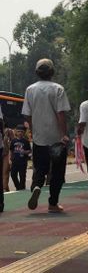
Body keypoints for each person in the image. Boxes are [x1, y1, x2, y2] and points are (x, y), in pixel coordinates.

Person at [22, 58, 71, 213]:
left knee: (40, 168)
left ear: (37, 72)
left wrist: (33, 130)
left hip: (39, 138)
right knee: (57, 172)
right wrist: (64, 134)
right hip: (56, 139)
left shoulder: (30, 90)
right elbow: (61, 114)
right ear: (52, 72)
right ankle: (53, 203)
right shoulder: (58, 89)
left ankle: (36, 185)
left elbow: (27, 115)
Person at [10, 125, 31, 191]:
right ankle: (18, 187)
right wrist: (10, 159)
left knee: (22, 176)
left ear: (24, 132)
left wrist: (24, 152)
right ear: (16, 132)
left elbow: (29, 150)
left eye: (21, 132)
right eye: (18, 131)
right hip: (15, 161)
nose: (20, 133)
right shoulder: (13, 141)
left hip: (23, 161)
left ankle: (22, 188)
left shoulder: (26, 141)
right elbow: (11, 150)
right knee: (13, 175)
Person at [2, 128, 13, 192]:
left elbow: (10, 148)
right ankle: (6, 188)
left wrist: (10, 158)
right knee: (4, 173)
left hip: (6, 154)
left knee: (5, 172)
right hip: (3, 154)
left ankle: (4, 188)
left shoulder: (8, 132)